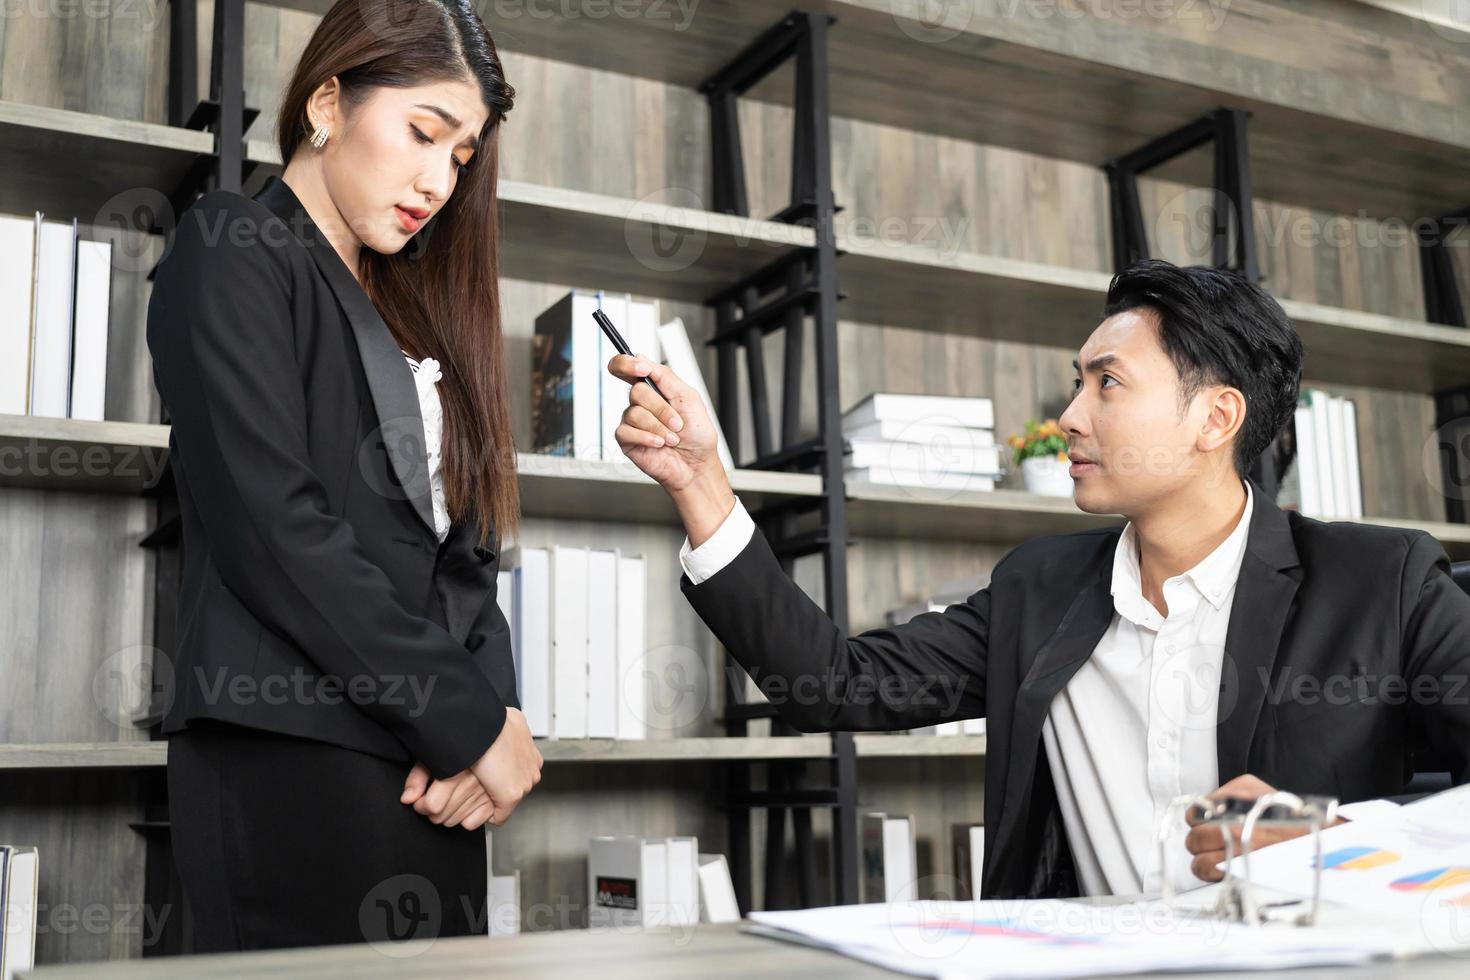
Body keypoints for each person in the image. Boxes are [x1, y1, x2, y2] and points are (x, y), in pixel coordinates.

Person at [608, 258, 1470, 899]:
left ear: (1217, 416)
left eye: (1109, 383)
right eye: (1077, 382)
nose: (1068, 417)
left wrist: (1337, 839)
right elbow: (834, 685)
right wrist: (700, 483)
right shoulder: (1040, 588)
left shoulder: (1381, 582)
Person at [145, 0, 540, 951]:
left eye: (460, 156)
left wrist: (498, 722)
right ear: (328, 101)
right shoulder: (233, 245)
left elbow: (464, 552)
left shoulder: (416, 313)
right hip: (295, 757)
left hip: (437, 779)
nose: (439, 179)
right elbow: (276, 530)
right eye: (423, 133)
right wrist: (472, 723)